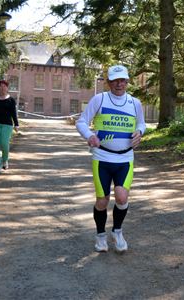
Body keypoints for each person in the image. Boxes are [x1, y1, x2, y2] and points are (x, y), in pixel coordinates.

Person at [76, 65, 146, 253]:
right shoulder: (99, 99)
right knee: (102, 200)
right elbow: (81, 121)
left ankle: (117, 231)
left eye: (122, 80)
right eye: (115, 81)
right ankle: (100, 235)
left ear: (127, 82)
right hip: (102, 157)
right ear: (109, 82)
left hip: (125, 158)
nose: (119, 84)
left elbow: (141, 122)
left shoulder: (134, 103)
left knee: (122, 197)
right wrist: (89, 135)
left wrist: (140, 132)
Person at [0, 79, 19, 174]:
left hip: (7, 125)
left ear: (7, 87)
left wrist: (16, 124)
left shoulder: (11, 100)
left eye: (4, 86)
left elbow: (14, 113)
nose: (2, 88)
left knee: (4, 144)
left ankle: (5, 160)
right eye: (0, 86)